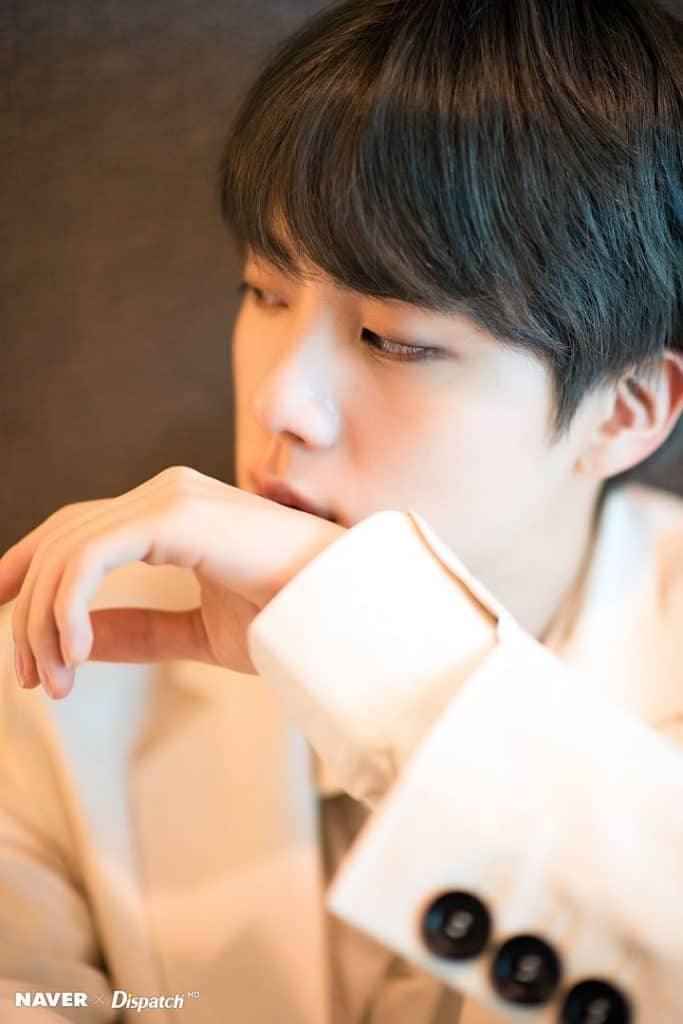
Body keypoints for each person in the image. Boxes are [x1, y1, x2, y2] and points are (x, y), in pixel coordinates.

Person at [1, 0, 683, 1021]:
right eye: (263, 292)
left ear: (622, 412)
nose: (280, 400)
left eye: (393, 339)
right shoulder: (71, 646)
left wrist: (383, 666)